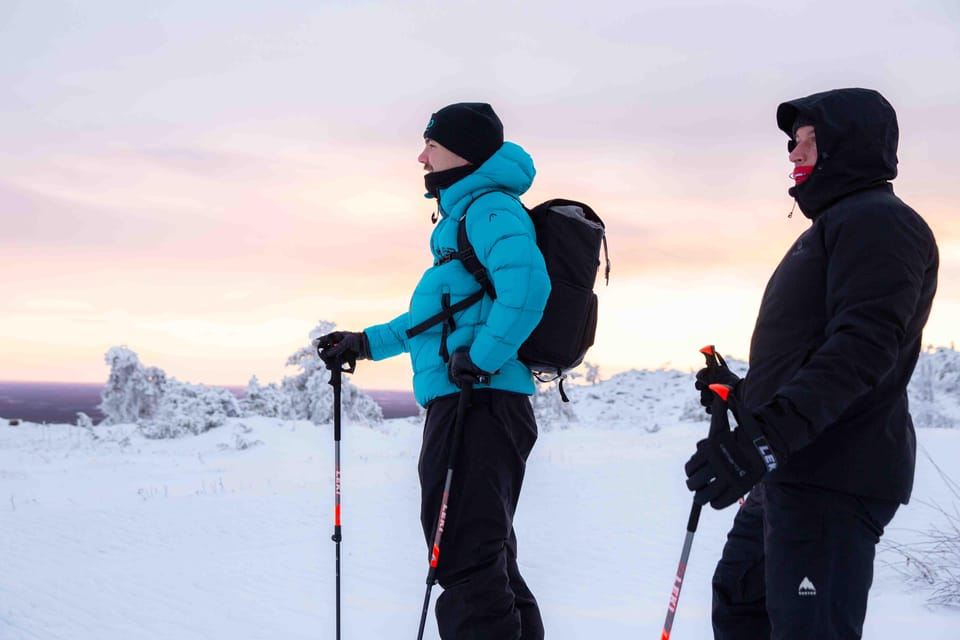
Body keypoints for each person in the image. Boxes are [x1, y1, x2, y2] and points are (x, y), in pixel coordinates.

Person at [685, 88, 939, 639]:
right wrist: (742, 394)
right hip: (792, 467)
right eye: (793, 142)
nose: (794, 153)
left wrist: (767, 439)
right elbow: (811, 356)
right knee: (741, 602)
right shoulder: (834, 227)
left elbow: (863, 348)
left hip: (836, 471)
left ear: (850, 143)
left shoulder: (881, 222)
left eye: (808, 139)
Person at [317, 102, 550, 639]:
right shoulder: (464, 221)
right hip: (474, 402)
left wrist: (482, 358)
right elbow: (435, 319)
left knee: (465, 554)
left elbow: (528, 289)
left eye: (432, 145)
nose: (422, 158)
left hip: (479, 403)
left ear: (463, 153)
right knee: (485, 554)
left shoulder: (489, 210)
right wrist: (365, 343)